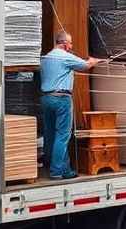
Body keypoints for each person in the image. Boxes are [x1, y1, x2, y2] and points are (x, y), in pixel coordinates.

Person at [40, 31, 103, 180]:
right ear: (64, 44)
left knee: (50, 134)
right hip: (61, 98)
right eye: (70, 43)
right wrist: (94, 61)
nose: (72, 46)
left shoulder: (45, 57)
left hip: (46, 99)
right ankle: (56, 171)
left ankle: (63, 169)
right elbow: (85, 65)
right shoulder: (65, 57)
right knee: (63, 136)